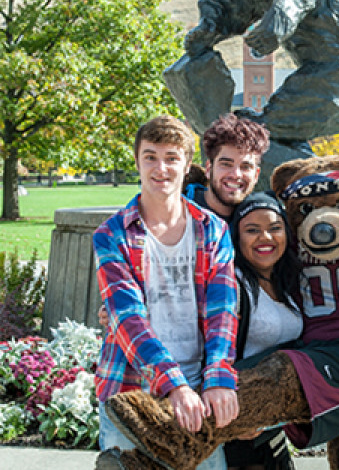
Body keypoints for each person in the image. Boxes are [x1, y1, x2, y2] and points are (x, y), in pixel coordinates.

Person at [94, 115, 239, 470]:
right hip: (130, 391)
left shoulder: (213, 230)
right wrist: (174, 386)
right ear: (137, 161)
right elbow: (128, 319)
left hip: (198, 387)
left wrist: (218, 377)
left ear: (188, 165)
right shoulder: (112, 234)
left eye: (172, 157)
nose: (161, 168)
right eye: (151, 156)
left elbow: (223, 313)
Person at [225, 192, 303, 470]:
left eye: (274, 228)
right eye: (252, 230)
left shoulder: (287, 283)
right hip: (236, 429)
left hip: (271, 426)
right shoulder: (232, 284)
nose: (265, 238)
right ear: (237, 237)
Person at [184, 113, 270, 222]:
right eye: (226, 164)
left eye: (245, 167)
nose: (236, 174)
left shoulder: (262, 222)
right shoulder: (176, 213)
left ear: (256, 175)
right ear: (209, 169)